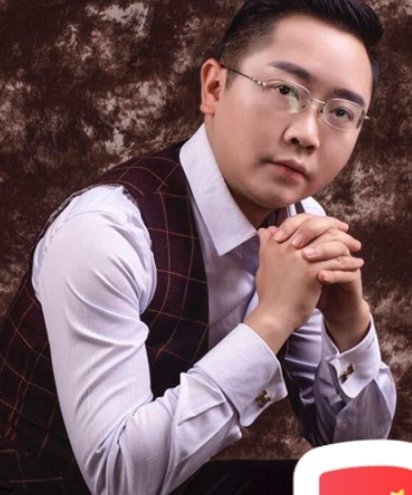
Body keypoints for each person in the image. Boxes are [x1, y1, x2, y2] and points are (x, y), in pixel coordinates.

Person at [0, 0, 397, 494]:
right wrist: (273, 319)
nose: (306, 134)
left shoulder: (303, 225)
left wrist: (350, 323)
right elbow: (119, 479)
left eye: (340, 112)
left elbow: (354, 460)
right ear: (214, 88)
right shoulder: (105, 233)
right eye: (284, 90)